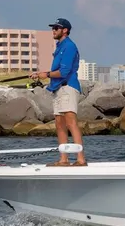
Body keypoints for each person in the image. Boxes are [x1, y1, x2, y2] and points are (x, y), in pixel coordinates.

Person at [30, 17, 87, 167]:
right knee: (59, 124)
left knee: (70, 122)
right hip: (57, 88)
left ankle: (80, 159)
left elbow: (64, 71)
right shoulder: (60, 46)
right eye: (53, 28)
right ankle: (64, 159)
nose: (53, 30)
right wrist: (42, 74)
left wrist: (46, 74)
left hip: (68, 87)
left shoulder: (69, 46)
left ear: (65, 30)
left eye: (56, 28)